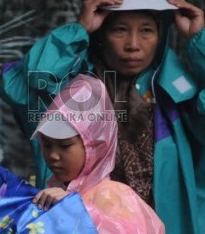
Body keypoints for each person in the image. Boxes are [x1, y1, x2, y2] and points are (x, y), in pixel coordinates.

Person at [0, 0, 205, 234]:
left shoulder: (178, 95)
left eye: (146, 30)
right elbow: (34, 81)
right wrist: (78, 31)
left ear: (161, 36)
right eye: (119, 30)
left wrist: (200, 39)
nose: (133, 45)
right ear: (101, 34)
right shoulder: (71, 94)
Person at [31, 74, 165, 233]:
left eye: (65, 146)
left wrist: (80, 211)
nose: (53, 155)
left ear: (94, 145)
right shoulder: (55, 194)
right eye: (46, 145)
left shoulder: (113, 195)